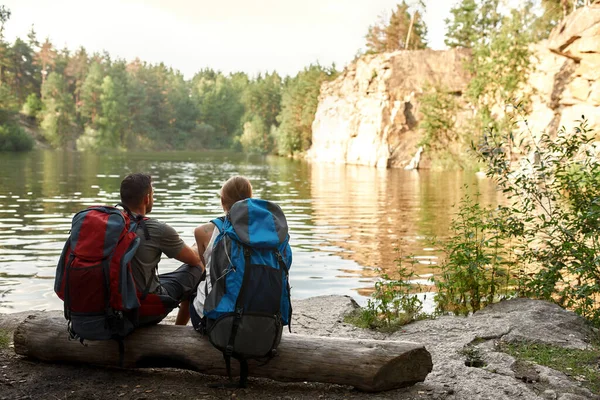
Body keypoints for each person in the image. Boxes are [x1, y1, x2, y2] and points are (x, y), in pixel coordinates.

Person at [119, 172, 204, 325]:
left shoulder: (107, 225)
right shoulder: (156, 229)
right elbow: (194, 259)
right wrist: (197, 246)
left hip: (107, 308)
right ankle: (180, 330)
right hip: (139, 312)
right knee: (198, 267)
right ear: (147, 198)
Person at [190, 175, 253, 330]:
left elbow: (206, 268)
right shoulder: (266, 232)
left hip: (216, 321)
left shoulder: (202, 232)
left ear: (222, 201)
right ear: (250, 199)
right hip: (261, 317)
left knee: (193, 281)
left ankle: (178, 334)